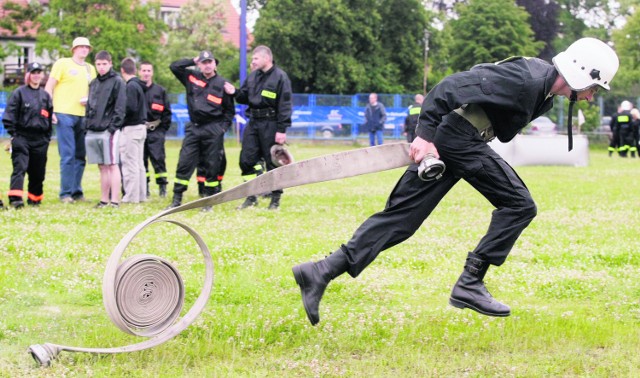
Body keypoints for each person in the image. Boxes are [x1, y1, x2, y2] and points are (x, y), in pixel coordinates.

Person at [292, 38, 619, 325]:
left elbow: (497, 120)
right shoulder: (525, 79)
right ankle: (470, 283)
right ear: (580, 74)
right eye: (594, 88)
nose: (591, 97)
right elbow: (450, 87)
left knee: (401, 219)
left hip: (457, 139)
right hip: (458, 138)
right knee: (519, 205)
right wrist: (424, 135)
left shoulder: (543, 91)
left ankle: (320, 271)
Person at [166, 50, 235, 211]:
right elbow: (174, 66)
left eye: (210, 62)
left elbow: (229, 111)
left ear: (215, 64)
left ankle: (208, 201)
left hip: (213, 129)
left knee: (212, 166)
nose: (207, 65)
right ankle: (177, 199)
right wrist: (192, 60)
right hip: (194, 127)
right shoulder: (191, 77)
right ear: (199, 64)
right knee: (184, 162)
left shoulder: (223, 85)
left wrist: (222, 129)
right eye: (204, 62)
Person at [226, 45, 293, 210]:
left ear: (266, 58)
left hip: (271, 123)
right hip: (253, 122)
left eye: (255, 58)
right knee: (246, 160)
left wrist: (282, 130)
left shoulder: (280, 77)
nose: (253, 62)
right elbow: (244, 97)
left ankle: (275, 200)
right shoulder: (253, 76)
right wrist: (233, 91)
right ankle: (251, 197)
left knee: (273, 162)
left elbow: (285, 105)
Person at [45, 37, 97, 203]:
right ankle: (65, 193)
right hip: (64, 113)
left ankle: (77, 191)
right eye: (80, 47)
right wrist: (49, 109)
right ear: (74, 49)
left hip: (83, 115)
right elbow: (49, 87)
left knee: (81, 155)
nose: (83, 50)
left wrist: (89, 100)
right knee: (68, 154)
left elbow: (94, 92)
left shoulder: (90, 69)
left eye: (86, 47)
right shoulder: (62, 63)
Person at [2, 62, 53, 208]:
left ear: (42, 75)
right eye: (33, 72)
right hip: (22, 137)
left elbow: (49, 118)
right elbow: (9, 115)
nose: (36, 76)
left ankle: (35, 198)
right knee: (20, 168)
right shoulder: (19, 93)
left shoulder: (45, 96)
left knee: (38, 171)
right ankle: (16, 199)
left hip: (40, 139)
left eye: (39, 73)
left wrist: (46, 137)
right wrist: (14, 135)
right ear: (28, 75)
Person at [84, 50, 126, 208]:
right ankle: (104, 200)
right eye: (98, 64)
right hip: (93, 129)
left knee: (112, 164)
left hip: (109, 130)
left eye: (104, 64)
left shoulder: (118, 82)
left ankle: (115, 200)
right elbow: (89, 106)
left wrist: (112, 128)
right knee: (101, 166)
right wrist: (87, 125)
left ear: (110, 64)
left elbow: (120, 108)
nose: (101, 67)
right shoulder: (94, 83)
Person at [139, 61, 172, 198]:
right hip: (140, 130)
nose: (146, 73)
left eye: (148, 71)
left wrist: (162, 130)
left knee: (158, 160)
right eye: (144, 70)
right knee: (141, 161)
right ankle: (144, 188)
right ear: (139, 72)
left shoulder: (160, 91)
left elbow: (167, 112)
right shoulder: (135, 89)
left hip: (156, 131)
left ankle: (162, 187)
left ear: (152, 73)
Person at [119, 58, 148, 203]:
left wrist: (119, 120)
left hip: (131, 128)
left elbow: (130, 107)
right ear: (135, 70)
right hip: (141, 127)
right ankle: (141, 195)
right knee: (139, 164)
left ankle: (131, 196)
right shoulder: (139, 86)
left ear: (122, 71)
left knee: (130, 164)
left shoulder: (130, 86)